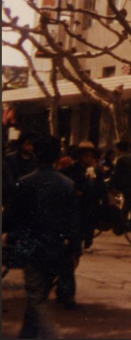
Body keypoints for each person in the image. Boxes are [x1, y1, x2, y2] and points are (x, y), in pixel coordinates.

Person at [6, 135, 81, 336]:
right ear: (57, 156)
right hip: (56, 247)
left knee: (36, 296)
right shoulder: (67, 184)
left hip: (30, 245)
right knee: (39, 292)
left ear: (36, 155)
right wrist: (74, 249)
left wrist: (10, 236)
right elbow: (73, 222)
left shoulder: (25, 182)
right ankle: (27, 334)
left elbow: (11, 217)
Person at [62, 141, 106, 252]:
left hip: (91, 203)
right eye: (86, 155)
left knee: (90, 223)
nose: (89, 159)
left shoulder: (98, 171)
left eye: (92, 156)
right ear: (80, 156)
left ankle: (87, 242)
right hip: (77, 203)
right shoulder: (71, 170)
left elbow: (102, 187)